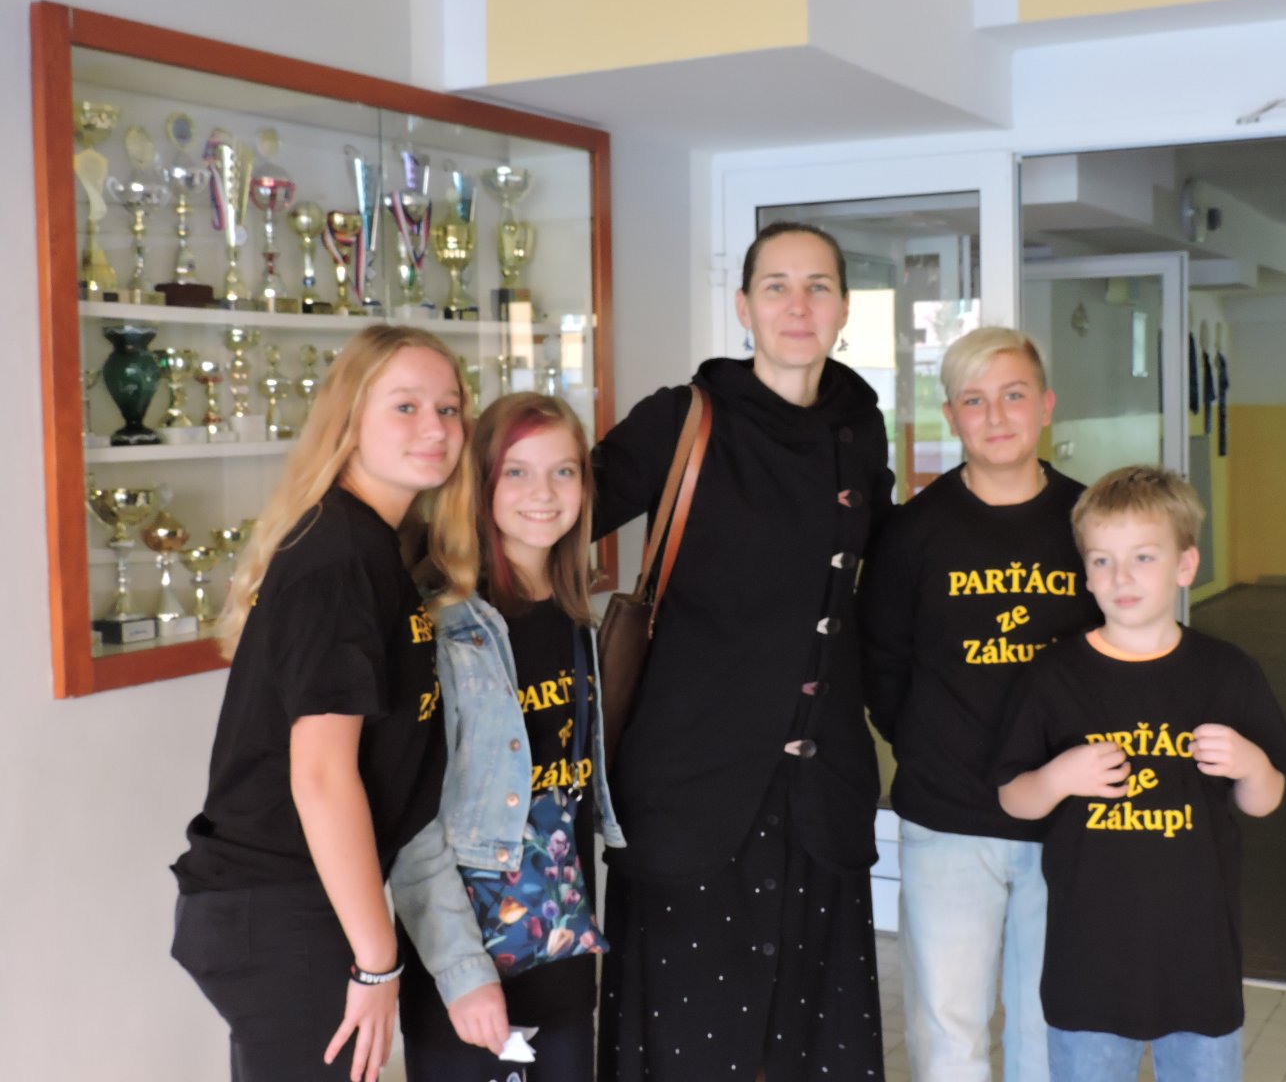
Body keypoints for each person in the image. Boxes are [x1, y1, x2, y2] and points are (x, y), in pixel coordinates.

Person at [591, 220, 894, 1081]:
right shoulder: (683, 419)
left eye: (818, 287)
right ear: (743, 308)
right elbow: (554, 514)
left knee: (807, 1046)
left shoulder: (861, 426)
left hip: (818, 794)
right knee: (690, 1048)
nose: (798, 305)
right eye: (776, 287)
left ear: (843, 308)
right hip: (691, 791)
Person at [171, 325, 475, 1082]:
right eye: (405, 406)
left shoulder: (372, 544)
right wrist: (377, 961)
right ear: (349, 419)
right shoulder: (340, 556)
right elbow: (321, 774)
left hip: (288, 903)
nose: (435, 427)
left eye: (449, 407)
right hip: (280, 907)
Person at [991, 465, 1286, 1082]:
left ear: (1185, 565)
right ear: (1086, 574)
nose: (1121, 577)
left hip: (1199, 958)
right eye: (1102, 561)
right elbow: (1013, 798)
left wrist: (1251, 763)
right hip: (1089, 964)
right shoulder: (1054, 677)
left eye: (1143, 557)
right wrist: (1058, 778)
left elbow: (1266, 799)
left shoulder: (1226, 672)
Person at [859, 327, 1100, 1082]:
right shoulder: (913, 532)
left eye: (1013, 395)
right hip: (947, 817)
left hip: (1068, 818)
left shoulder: (1090, 522)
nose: (995, 416)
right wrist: (936, 746)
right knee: (947, 1031)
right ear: (951, 416)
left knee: (1049, 1029)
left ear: (1046, 406)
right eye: (974, 400)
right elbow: (882, 665)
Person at [389, 392, 624, 1081]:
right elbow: (412, 818)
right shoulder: (448, 623)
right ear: (481, 484)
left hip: (559, 942)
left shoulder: (575, 611)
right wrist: (462, 974)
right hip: (468, 956)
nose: (543, 494)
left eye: (563, 471)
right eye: (517, 472)